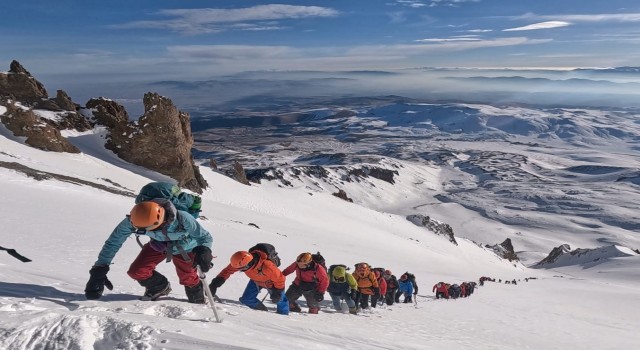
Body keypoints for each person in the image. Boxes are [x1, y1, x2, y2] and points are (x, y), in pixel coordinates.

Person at [84, 199, 213, 303]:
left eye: (151, 228)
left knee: (188, 279)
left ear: (162, 220)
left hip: (186, 247)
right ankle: (159, 286)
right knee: (137, 271)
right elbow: (114, 242)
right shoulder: (134, 219)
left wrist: (204, 249)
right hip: (158, 245)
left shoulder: (183, 218)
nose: (148, 231)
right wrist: (100, 268)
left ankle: (197, 298)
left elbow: (204, 237)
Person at [208, 247, 289, 315]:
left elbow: (280, 278)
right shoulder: (240, 262)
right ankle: (263, 313)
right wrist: (215, 283)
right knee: (246, 299)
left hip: (271, 283)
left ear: (247, 265)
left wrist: (278, 292)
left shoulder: (268, 266)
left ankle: (283, 316)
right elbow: (227, 271)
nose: (239, 270)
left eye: (242, 269)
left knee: (280, 300)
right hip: (255, 280)